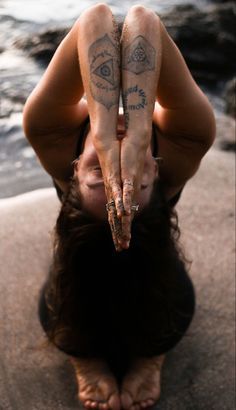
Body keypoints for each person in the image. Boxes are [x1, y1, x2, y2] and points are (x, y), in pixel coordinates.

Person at [23, 4, 216, 410]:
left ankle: (144, 353)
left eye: (99, 174)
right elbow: (144, 21)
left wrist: (106, 133)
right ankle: (91, 355)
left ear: (70, 173)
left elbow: (95, 18)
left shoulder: (50, 135)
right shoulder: (184, 146)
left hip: (90, 260)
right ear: (162, 181)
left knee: (72, 305)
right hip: (144, 258)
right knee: (78, 317)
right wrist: (139, 129)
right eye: (133, 182)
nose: (121, 159)